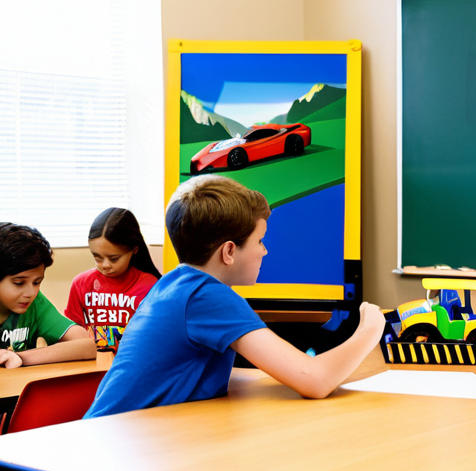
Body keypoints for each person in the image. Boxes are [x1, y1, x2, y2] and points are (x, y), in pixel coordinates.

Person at [85, 175, 385, 418]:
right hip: (109, 467)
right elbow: (315, 381)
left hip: (115, 444)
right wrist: (371, 327)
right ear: (229, 251)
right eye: (260, 240)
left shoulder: (175, 285)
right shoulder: (207, 295)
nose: (264, 251)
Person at [0, 223, 96, 368]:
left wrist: (18, 357)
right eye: (19, 283)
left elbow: (87, 346)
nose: (30, 293)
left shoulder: (36, 303)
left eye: (37, 282)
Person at [65, 208, 161, 353]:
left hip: (132, 363)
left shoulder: (150, 285)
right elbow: (71, 331)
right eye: (97, 257)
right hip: (92, 365)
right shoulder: (82, 283)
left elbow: (156, 336)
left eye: (114, 258)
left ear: (134, 250)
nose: (105, 265)